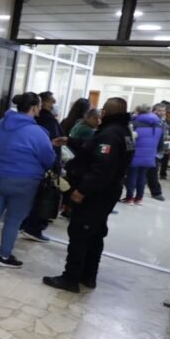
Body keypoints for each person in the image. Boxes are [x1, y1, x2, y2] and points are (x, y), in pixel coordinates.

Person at [43, 98, 134, 292]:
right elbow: (95, 147)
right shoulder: (122, 131)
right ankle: (88, 276)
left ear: (105, 113)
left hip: (95, 194)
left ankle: (70, 278)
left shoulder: (110, 134)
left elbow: (102, 168)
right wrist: (70, 141)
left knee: (80, 233)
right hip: (108, 191)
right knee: (95, 233)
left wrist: (82, 190)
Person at [0, 92, 60, 268]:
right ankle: (4, 256)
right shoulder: (37, 132)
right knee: (13, 219)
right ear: (34, 108)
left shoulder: (0, 124)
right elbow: (48, 159)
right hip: (24, 182)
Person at [20, 90, 63, 242]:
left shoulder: (30, 121)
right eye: (52, 102)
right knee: (41, 199)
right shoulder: (49, 122)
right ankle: (34, 228)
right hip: (41, 167)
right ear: (42, 104)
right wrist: (56, 166)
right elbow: (53, 147)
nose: (54, 104)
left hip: (26, 167)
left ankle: (24, 224)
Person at [124, 105, 163, 205]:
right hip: (150, 156)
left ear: (138, 112)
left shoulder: (134, 123)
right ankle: (139, 198)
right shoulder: (158, 125)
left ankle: (129, 198)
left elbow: (128, 140)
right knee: (142, 176)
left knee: (132, 175)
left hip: (135, 154)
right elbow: (160, 144)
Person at [144, 104, 170, 200]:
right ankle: (156, 192)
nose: (162, 112)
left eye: (163, 110)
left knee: (150, 171)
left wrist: (167, 142)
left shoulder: (164, 122)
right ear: (153, 111)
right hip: (150, 149)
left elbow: (163, 135)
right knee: (152, 171)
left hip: (158, 150)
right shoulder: (150, 121)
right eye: (159, 110)